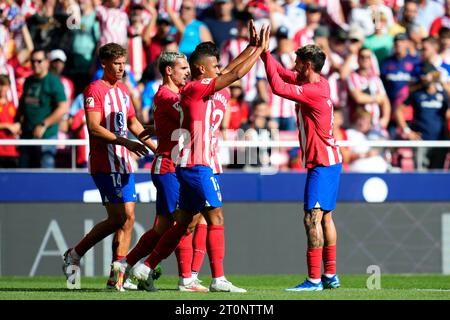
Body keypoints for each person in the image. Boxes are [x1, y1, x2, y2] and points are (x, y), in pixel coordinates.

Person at [126, 22, 269, 293]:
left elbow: (229, 71)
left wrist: (251, 47)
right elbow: (235, 73)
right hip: (196, 164)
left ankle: (145, 266)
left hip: (192, 163)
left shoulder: (199, 87)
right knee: (215, 217)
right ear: (202, 70)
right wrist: (259, 50)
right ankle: (218, 279)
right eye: (214, 66)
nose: (219, 70)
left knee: (184, 223)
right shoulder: (194, 88)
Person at [62, 43, 157, 290]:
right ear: (104, 64)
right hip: (105, 162)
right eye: (116, 63)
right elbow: (93, 127)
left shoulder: (124, 91)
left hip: (124, 162)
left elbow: (134, 123)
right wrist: (125, 141)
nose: (121, 67)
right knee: (119, 217)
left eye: (123, 63)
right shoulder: (94, 90)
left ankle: (116, 279)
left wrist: (159, 150)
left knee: (128, 219)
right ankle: (75, 254)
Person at [112, 51, 209, 292]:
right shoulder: (167, 96)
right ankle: (182, 278)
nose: (188, 72)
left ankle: (123, 267)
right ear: (169, 71)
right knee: (183, 222)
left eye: (188, 67)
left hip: (173, 165)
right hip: (169, 166)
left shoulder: (170, 95)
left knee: (164, 227)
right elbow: (192, 116)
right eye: (183, 68)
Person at [261, 42, 343, 291]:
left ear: (307, 65)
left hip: (321, 162)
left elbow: (277, 86)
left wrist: (263, 54)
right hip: (330, 160)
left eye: (297, 62)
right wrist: (265, 53)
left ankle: (314, 280)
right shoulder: (321, 82)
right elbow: (285, 75)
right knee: (325, 218)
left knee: (311, 219)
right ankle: (330, 275)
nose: (293, 67)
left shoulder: (312, 91)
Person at [15, 48, 68, 168]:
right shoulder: (28, 81)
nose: (35, 64)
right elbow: (23, 105)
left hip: (46, 136)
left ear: (46, 62)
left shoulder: (53, 81)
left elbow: (63, 108)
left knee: (46, 172)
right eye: (32, 61)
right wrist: (18, 121)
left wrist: (44, 125)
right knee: (24, 172)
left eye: (39, 61)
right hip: (27, 134)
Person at [0, 75, 20, 168]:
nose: (2, 88)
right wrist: (6, 126)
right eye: (0, 84)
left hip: (11, 151)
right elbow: (8, 125)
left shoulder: (12, 105)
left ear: (8, 87)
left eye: (4, 85)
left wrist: (18, 127)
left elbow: (17, 123)